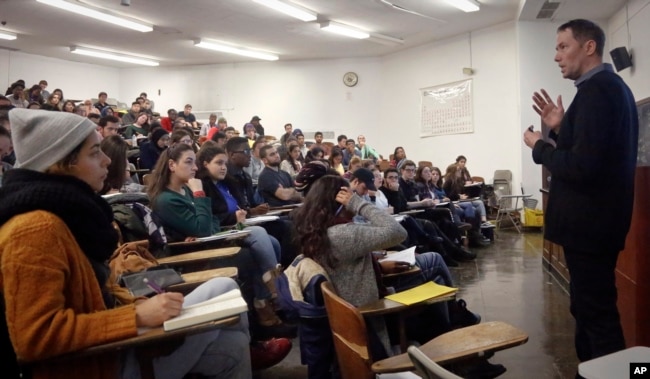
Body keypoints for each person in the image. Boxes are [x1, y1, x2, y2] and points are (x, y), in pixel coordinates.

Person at [0, 109, 251, 379]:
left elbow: (102, 294)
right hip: (98, 363)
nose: (107, 160)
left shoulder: (68, 215)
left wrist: (140, 305)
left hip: (110, 345)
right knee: (232, 342)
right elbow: (33, 338)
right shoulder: (33, 230)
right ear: (61, 162)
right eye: (95, 152)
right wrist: (136, 317)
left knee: (230, 328)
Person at [523, 19, 637, 370]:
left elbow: (581, 167)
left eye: (562, 46)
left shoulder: (598, 91)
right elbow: (589, 152)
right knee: (587, 310)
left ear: (589, 47)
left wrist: (540, 146)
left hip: (590, 227)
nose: (557, 56)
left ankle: (618, 374)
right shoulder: (601, 89)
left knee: (597, 317)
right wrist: (562, 126)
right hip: (594, 226)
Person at [147, 144, 294, 338]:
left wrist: (206, 224)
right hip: (193, 255)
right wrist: (200, 196)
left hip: (208, 240)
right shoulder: (167, 199)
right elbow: (204, 227)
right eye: (189, 162)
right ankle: (268, 307)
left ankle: (266, 305)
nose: (195, 167)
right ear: (172, 165)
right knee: (249, 252)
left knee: (271, 241)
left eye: (194, 162)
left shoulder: (186, 192)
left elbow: (212, 222)